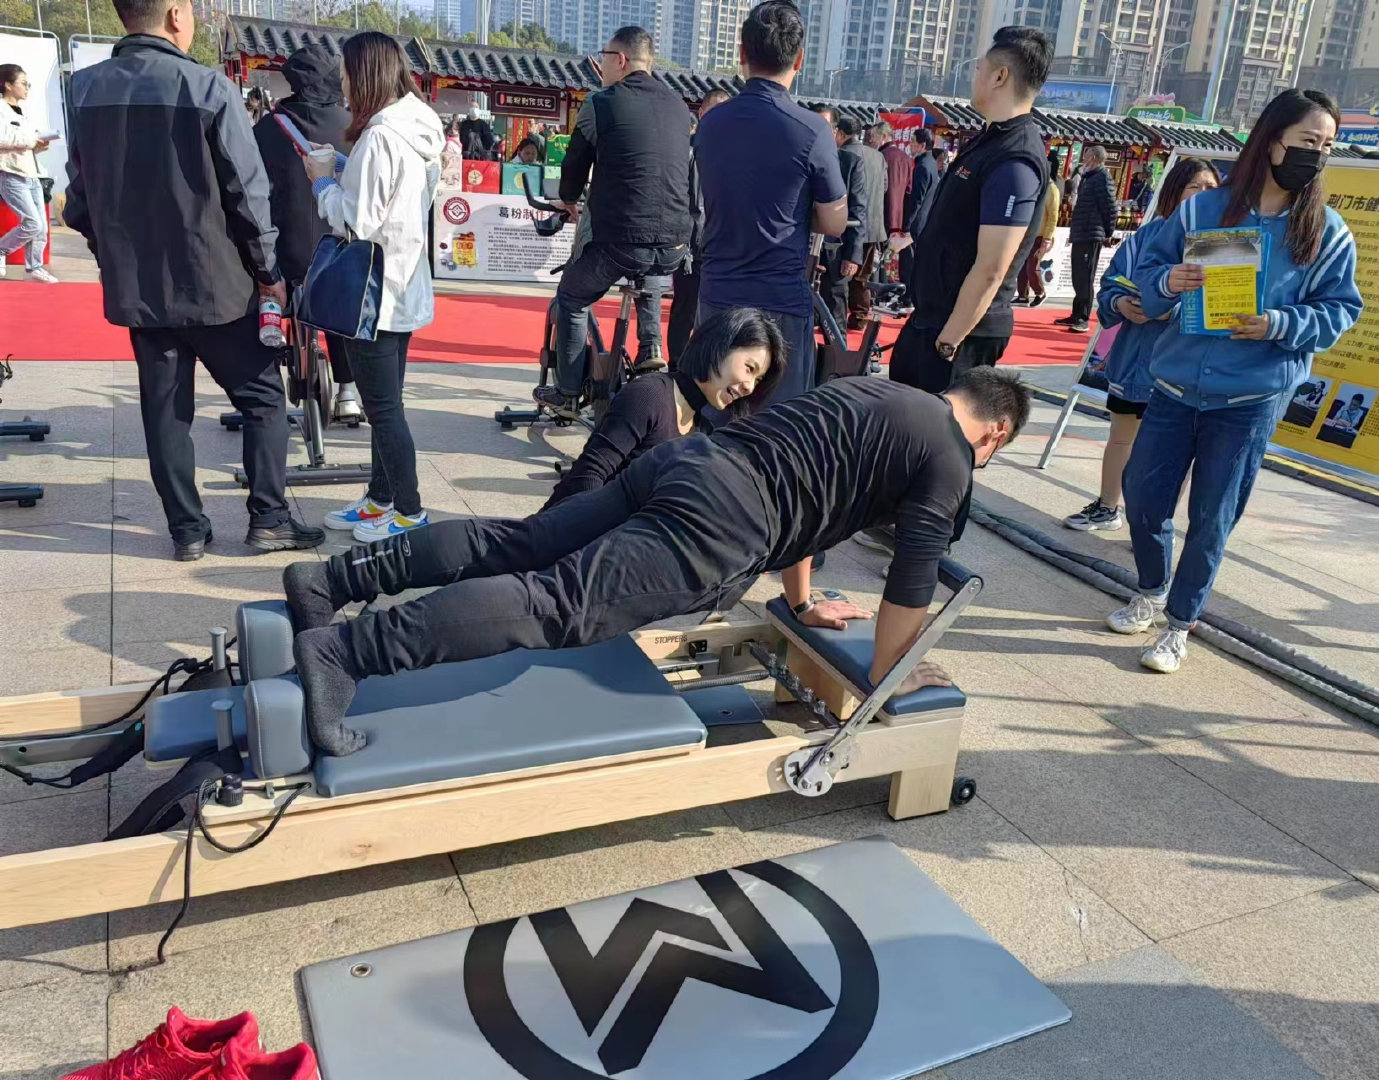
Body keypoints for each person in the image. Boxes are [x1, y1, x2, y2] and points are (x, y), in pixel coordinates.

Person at [282, 368, 1032, 757]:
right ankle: (346, 652)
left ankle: (330, 580)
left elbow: (815, 492)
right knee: (555, 603)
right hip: (723, 518)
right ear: (995, 433)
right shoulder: (949, 456)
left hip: (690, 461)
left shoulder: (883, 393)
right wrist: (895, 671)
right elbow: (910, 581)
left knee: (522, 542)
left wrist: (803, 603)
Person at [1110, 88, 1362, 674]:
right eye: (1308, 141)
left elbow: (1340, 310)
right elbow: (1145, 274)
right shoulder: (1202, 211)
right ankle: (1151, 589)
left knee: (1212, 518)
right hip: (1174, 389)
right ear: (1272, 141)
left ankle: (1179, 624)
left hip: (1249, 400)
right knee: (1143, 500)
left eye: (1327, 146)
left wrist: (1278, 324)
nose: (1318, 155)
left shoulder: (1325, 232)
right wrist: (1169, 282)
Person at [64, 0, 322, 561]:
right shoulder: (207, 87)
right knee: (262, 399)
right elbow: (247, 194)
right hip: (216, 282)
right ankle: (268, 519)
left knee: (165, 412)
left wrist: (114, 256)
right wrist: (269, 272)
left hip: (139, 288)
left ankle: (186, 530)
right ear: (177, 15)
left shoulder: (83, 89)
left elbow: (79, 199)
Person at [304, 31, 444, 542]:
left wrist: (322, 181)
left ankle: (408, 511)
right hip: (402, 287)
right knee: (388, 405)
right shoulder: (420, 124)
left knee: (383, 411)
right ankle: (380, 500)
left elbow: (356, 221)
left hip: (373, 294)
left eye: (345, 73)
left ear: (363, 75)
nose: (342, 83)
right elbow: (398, 194)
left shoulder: (380, 136)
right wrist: (343, 167)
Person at [694, 0, 846, 404]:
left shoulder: (710, 124)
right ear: (799, 59)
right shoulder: (812, 130)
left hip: (719, 293)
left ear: (742, 53)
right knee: (782, 425)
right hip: (780, 300)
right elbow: (835, 222)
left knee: (714, 415)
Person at [887, 26, 1052, 394]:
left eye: (979, 69)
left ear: (999, 76)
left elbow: (992, 267)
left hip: (960, 334)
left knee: (938, 428)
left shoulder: (1015, 157)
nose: (974, 77)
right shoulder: (990, 140)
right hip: (932, 318)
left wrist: (948, 341)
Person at [534, 25, 691, 410]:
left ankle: (568, 393)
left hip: (620, 240)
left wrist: (568, 200)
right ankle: (650, 348)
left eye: (603, 57)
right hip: (675, 244)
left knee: (572, 298)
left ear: (619, 60)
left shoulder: (601, 102)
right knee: (648, 267)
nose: (600, 65)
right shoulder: (679, 106)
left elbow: (575, 163)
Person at [1062, 158, 1220, 532]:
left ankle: (1154, 526)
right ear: (1175, 190)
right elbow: (1112, 283)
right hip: (1136, 360)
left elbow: (1222, 305)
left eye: (1211, 189)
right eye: (1195, 186)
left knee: (1174, 453)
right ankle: (1107, 506)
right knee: (1122, 438)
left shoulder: (1221, 244)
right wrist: (1121, 303)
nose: (1203, 195)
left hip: (1184, 366)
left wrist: (1168, 309)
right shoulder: (1148, 235)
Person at [545, 307, 786, 507]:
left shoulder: (703, 431)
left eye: (758, 380)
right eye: (749, 369)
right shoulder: (649, 395)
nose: (749, 387)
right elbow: (587, 478)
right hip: (564, 537)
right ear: (720, 347)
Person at [252, 45, 361, 423]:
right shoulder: (354, 126)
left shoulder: (268, 127)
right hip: (337, 243)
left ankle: (262, 392)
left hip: (284, 247)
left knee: (264, 296)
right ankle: (348, 393)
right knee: (339, 306)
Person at [667, 87, 730, 366]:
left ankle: (711, 365)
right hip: (691, 243)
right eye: (714, 111)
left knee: (719, 311)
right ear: (702, 113)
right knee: (686, 307)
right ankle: (677, 364)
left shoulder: (735, 152)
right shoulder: (685, 149)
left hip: (723, 244)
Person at [0, 64, 58, 283]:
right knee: (32, 222)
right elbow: (3, 139)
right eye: (23, 83)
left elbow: (25, 143)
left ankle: (34, 266)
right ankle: (2, 250)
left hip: (32, 173)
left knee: (41, 227)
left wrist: (39, 144)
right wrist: (32, 140)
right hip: (11, 173)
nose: (27, 88)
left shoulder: (23, 112)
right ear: (7, 85)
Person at [813, 105, 868, 330]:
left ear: (835, 131)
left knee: (835, 313)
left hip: (834, 249)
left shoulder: (850, 162)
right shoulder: (795, 158)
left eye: (825, 126)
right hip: (798, 250)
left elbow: (858, 210)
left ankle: (836, 352)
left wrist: (853, 255)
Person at [1059, 144, 1117, 331]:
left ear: (1093, 157)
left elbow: (1110, 207)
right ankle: (1075, 314)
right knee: (1078, 276)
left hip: (1091, 233)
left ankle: (1083, 317)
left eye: (1086, 154)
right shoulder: (1088, 177)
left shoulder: (1102, 177)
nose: (1083, 158)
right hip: (1081, 232)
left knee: (1085, 277)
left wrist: (1108, 232)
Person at [848, 116, 888, 327]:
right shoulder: (879, 157)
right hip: (873, 224)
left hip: (850, 222)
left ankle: (839, 315)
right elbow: (885, 187)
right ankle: (860, 315)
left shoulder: (847, 153)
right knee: (863, 274)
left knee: (841, 273)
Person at [1015, 152, 1061, 306]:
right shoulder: (1037, 186)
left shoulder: (1052, 190)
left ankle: (1040, 292)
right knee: (1022, 265)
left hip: (1041, 235)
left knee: (1032, 265)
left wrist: (1047, 237)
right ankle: (1022, 295)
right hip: (1030, 232)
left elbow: (1053, 216)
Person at [898, 126, 940, 288]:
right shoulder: (931, 163)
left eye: (913, 141)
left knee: (908, 262)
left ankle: (907, 294)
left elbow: (917, 199)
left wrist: (907, 225)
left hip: (916, 223)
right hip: (924, 220)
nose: (910, 144)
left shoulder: (922, 167)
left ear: (922, 145)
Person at [870, 121, 912, 255]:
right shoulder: (906, 158)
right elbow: (909, 189)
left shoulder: (880, 156)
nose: (871, 140)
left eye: (874, 136)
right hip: (899, 218)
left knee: (876, 257)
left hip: (880, 215)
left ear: (883, 136)